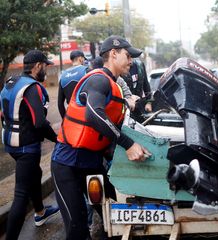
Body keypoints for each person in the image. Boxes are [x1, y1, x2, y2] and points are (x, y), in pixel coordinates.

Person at [51, 35, 151, 239]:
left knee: (116, 215)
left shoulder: (114, 84)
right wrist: (128, 144)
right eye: (128, 55)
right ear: (113, 54)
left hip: (91, 164)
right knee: (77, 229)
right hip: (67, 165)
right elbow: (94, 114)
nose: (131, 61)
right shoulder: (99, 79)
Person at [0, 50, 60, 240]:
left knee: (36, 174)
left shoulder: (11, 82)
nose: (46, 70)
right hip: (27, 147)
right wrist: (58, 140)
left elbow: (4, 114)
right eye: (45, 66)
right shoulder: (32, 87)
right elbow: (40, 123)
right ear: (37, 66)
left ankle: (41, 213)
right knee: (20, 194)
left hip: (11, 143)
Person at [58, 50, 88, 118]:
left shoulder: (63, 76)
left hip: (72, 114)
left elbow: (60, 104)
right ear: (80, 59)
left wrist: (65, 119)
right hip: (85, 113)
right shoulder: (86, 71)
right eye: (83, 59)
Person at [122, 58, 153, 122]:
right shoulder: (119, 68)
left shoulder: (139, 65)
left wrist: (149, 102)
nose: (130, 60)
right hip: (125, 108)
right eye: (127, 57)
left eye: (130, 56)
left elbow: (146, 84)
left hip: (139, 106)